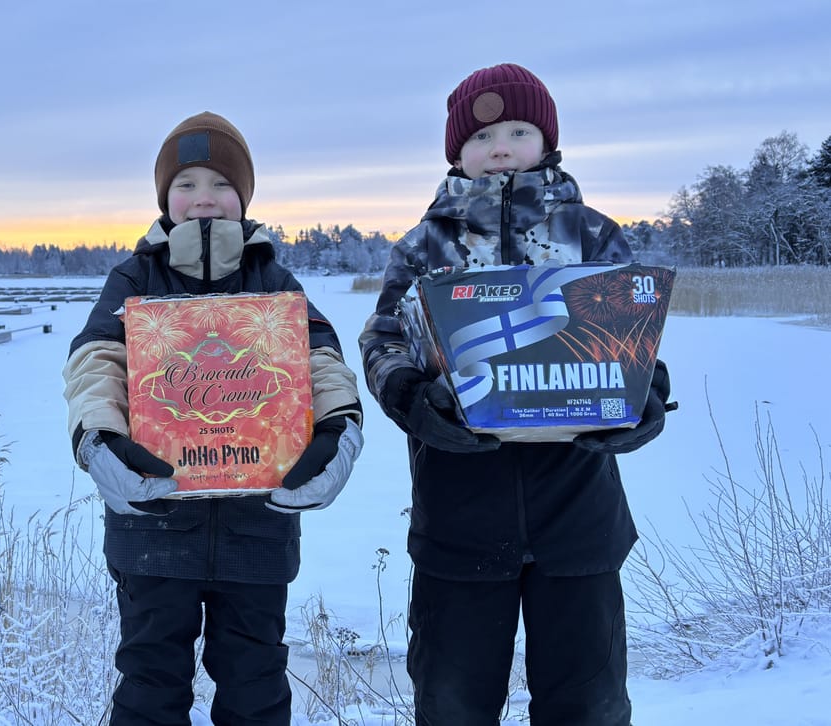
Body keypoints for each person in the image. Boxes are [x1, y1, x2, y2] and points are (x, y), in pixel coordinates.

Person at [358, 64, 674, 726]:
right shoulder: (423, 245)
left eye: (518, 131)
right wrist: (413, 400)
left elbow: (631, 341)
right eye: (481, 136)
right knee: (452, 703)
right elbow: (384, 341)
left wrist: (643, 397)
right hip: (457, 514)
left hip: (578, 512)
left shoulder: (594, 235)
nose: (499, 147)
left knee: (588, 703)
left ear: (548, 143)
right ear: (456, 153)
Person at [62, 111, 364, 725]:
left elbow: (322, 362)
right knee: (150, 680)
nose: (204, 199)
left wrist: (338, 430)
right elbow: (96, 361)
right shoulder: (135, 277)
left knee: (255, 680)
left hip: (259, 524)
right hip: (154, 522)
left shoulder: (274, 280)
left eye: (221, 184)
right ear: (165, 199)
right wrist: (100, 438)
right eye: (187, 184)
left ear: (245, 197)